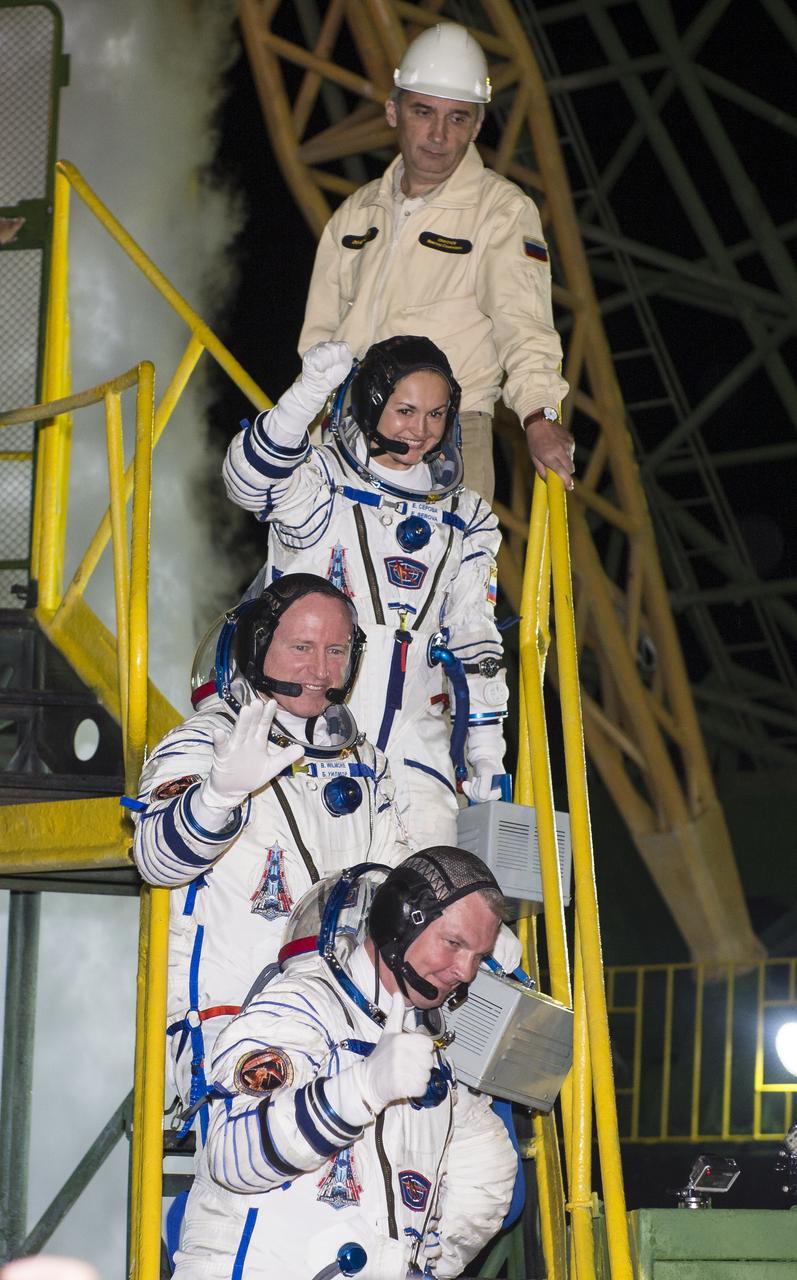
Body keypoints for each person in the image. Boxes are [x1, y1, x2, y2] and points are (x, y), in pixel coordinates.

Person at [131, 573, 410, 1132]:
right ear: (259, 648)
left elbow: (392, 885)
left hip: (340, 1019)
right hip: (227, 1023)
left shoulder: (365, 763)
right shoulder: (206, 741)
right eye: (301, 648)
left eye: (335, 651)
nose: (321, 670)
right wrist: (218, 796)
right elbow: (155, 859)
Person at [172, 847, 518, 1280]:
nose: (465, 972)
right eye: (454, 944)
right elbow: (231, 1153)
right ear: (400, 922)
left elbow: (488, 1171)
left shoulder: (431, 1062)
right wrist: (361, 1089)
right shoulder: (299, 1005)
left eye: (479, 957)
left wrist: (425, 1264)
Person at [223, 336, 510, 852]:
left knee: (432, 898)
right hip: (302, 737)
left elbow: (475, 639)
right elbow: (248, 482)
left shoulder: (467, 518)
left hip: (416, 745)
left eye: (436, 414)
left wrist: (487, 752)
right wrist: (307, 392)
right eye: (405, 410)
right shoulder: (323, 482)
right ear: (372, 403)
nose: (420, 430)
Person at [299, 21, 573, 504]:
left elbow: (523, 323)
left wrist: (540, 417)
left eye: (458, 118)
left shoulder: (502, 211)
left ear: (478, 125)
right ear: (393, 111)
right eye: (424, 112)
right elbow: (320, 335)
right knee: (324, 581)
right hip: (344, 435)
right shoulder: (356, 212)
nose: (439, 134)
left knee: (441, 580)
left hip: (448, 437)